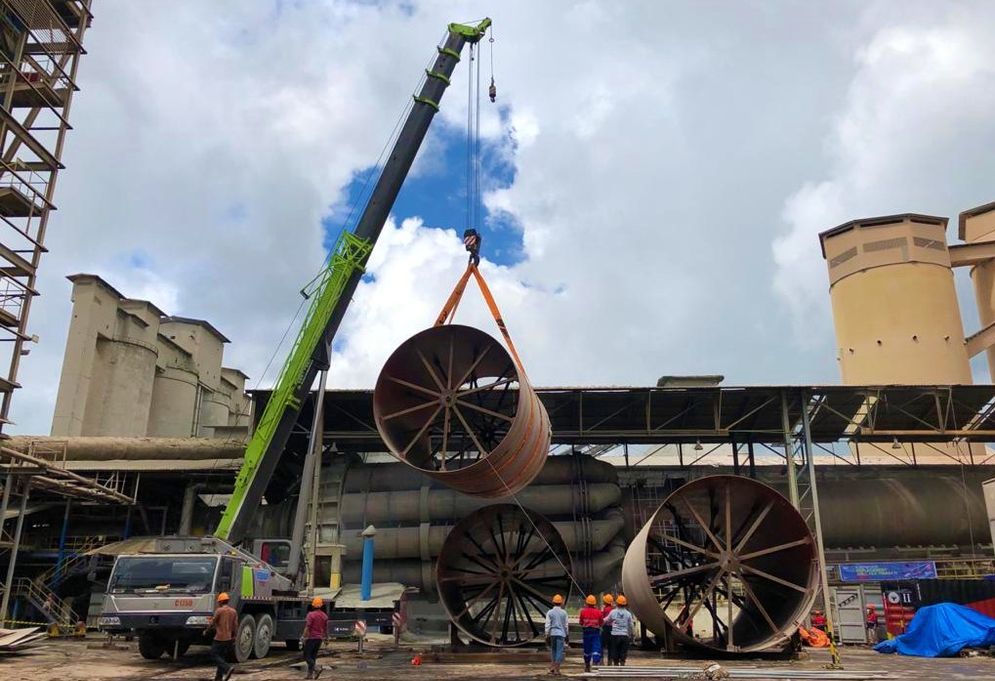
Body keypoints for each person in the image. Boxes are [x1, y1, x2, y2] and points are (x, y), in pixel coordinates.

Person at [209, 592, 238, 681]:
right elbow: (235, 625)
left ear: (220, 602)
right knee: (221, 656)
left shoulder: (219, 610)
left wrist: (206, 630)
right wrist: (235, 636)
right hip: (229, 638)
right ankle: (218, 678)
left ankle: (227, 668)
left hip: (219, 638)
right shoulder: (233, 611)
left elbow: (212, 623)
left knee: (214, 655)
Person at [302, 596, 329, 679]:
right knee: (313, 656)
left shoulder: (311, 615)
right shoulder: (324, 616)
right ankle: (309, 675)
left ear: (313, 605)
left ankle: (316, 668)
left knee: (306, 655)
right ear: (321, 605)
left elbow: (307, 627)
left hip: (311, 638)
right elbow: (326, 629)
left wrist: (303, 637)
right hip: (319, 639)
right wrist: (326, 639)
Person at [604, 594, 635, 666]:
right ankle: (622, 663)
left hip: (615, 635)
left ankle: (616, 664)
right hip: (624, 635)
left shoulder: (613, 612)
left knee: (615, 651)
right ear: (625, 604)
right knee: (623, 651)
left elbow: (606, 620)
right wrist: (632, 634)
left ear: (617, 603)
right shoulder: (628, 614)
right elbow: (631, 625)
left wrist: (598, 621)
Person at [579, 594, 604, 672]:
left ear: (587, 603)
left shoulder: (583, 612)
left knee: (587, 649)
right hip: (595, 632)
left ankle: (587, 666)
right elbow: (601, 623)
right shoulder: (599, 612)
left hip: (586, 632)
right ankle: (595, 664)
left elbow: (581, 622)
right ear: (594, 603)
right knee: (596, 648)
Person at [544, 594, 568, 675]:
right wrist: (567, 634)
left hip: (553, 633)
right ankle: (557, 669)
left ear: (553, 602)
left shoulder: (550, 612)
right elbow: (566, 625)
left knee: (553, 651)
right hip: (561, 634)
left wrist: (546, 634)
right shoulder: (564, 613)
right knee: (559, 651)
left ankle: (552, 668)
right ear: (561, 603)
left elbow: (547, 625)